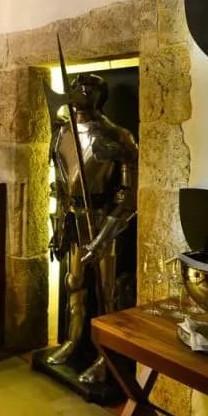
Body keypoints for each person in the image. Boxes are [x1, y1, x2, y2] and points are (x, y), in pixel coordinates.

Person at [46, 72, 138, 385]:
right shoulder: (62, 133)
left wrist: (103, 237)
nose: (74, 94)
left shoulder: (118, 137)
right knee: (75, 283)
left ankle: (106, 357)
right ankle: (73, 341)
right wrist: (59, 227)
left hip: (102, 219)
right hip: (74, 218)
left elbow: (129, 198)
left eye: (80, 89)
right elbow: (60, 185)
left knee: (107, 293)